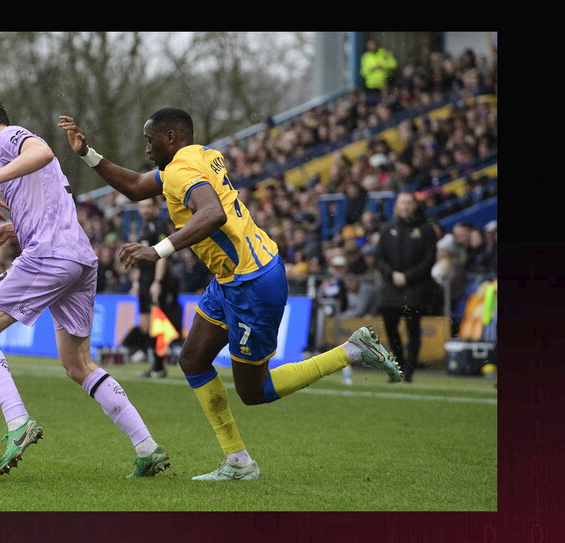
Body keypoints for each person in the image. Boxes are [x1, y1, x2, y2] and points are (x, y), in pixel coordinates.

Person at [59, 109, 402, 481]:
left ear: (170, 138)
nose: (146, 148)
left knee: (254, 391)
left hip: (253, 281)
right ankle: (238, 462)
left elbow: (213, 214)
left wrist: (157, 250)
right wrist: (88, 154)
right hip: (232, 278)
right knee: (193, 361)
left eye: (149, 140)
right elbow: (136, 186)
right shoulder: (199, 156)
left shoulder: (181, 170)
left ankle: (352, 351)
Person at [0, 94, 169, 478]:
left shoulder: (10, 138)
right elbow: (49, 206)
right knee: (77, 364)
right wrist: (9, 229)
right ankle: (148, 448)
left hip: (49, 257)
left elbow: (44, 151)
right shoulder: (12, 161)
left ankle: (18, 422)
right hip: (79, 260)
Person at [373, 191, 438, 383]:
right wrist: (392, 273)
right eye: (402, 202)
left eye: (409, 202)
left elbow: (429, 259)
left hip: (416, 287)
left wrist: (408, 276)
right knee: (390, 327)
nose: (406, 206)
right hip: (391, 286)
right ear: (397, 205)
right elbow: (378, 258)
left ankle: (409, 371)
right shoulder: (388, 228)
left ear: (415, 205)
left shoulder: (425, 229)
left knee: (413, 328)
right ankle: (399, 365)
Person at [121, 196, 180, 378]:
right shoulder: (144, 228)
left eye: (148, 206)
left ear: (155, 207)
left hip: (156, 281)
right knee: (145, 326)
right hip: (144, 281)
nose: (144, 210)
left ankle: (159, 366)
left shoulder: (159, 226)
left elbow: (163, 256)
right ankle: (154, 363)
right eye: (142, 206)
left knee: (157, 324)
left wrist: (158, 282)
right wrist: (137, 281)